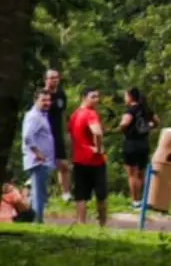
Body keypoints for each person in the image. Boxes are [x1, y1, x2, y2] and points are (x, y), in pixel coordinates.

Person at [68, 88, 109, 227]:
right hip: (95, 161)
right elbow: (97, 132)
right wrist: (98, 149)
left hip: (78, 160)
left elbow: (70, 136)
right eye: (93, 97)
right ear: (84, 97)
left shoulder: (74, 115)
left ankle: (81, 223)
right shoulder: (91, 114)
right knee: (101, 195)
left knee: (81, 194)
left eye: (97, 97)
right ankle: (102, 224)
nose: (96, 100)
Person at [19, 88, 56, 223]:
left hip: (43, 161)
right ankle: (37, 220)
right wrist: (37, 152)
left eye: (48, 100)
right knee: (38, 193)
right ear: (36, 100)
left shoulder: (42, 115)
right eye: (43, 100)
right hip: (37, 161)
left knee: (39, 192)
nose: (47, 103)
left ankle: (36, 218)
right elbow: (27, 137)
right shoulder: (34, 116)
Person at [117, 87, 156, 204]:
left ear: (130, 97)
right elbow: (156, 121)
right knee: (140, 173)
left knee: (131, 173)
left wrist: (120, 129)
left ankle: (135, 200)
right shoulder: (146, 110)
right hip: (144, 143)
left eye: (125, 96)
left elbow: (125, 123)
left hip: (131, 143)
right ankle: (142, 199)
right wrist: (148, 127)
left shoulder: (131, 111)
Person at [45, 68, 70, 200]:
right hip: (44, 135)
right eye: (52, 77)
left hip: (57, 133)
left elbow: (63, 114)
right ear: (46, 80)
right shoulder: (42, 95)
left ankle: (66, 194)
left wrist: (65, 133)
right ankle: (43, 194)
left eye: (56, 77)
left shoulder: (61, 95)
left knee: (63, 164)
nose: (54, 80)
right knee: (44, 166)